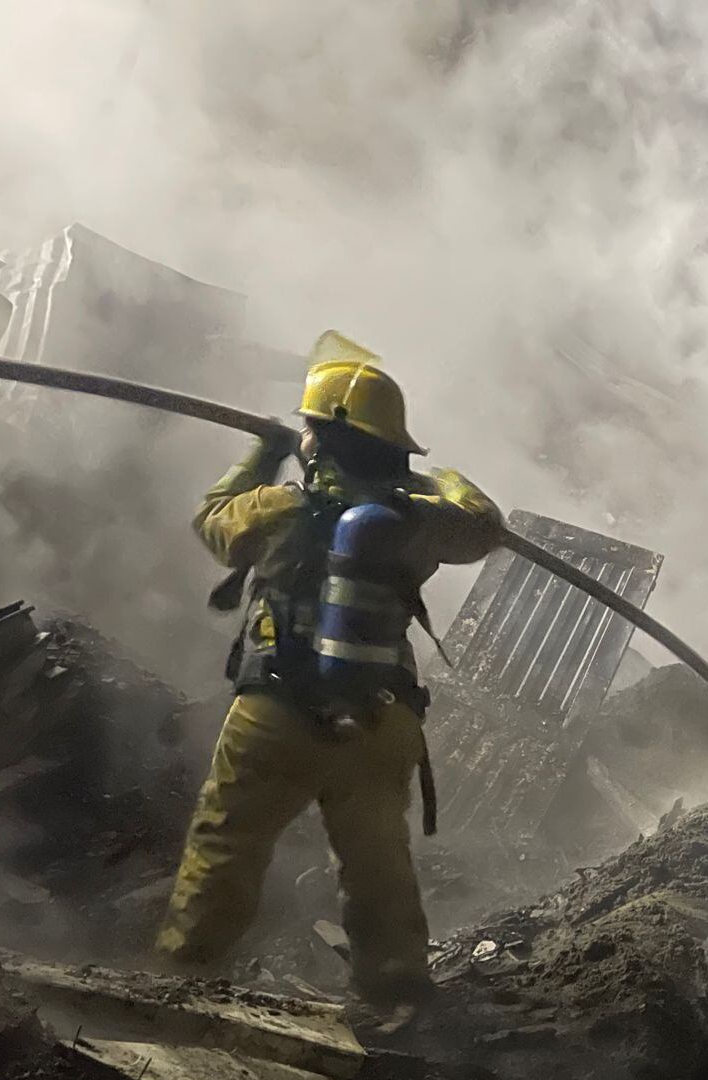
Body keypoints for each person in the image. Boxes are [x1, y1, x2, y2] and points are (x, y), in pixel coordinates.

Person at [156, 357, 504, 1014]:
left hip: (278, 712)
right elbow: (485, 524)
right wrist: (437, 478)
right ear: (394, 447)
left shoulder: (285, 507)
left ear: (317, 438)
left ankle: (183, 982)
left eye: (308, 429)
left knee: (227, 844)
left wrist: (264, 452)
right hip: (381, 720)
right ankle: (397, 994)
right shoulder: (420, 520)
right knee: (378, 862)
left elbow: (214, 521)